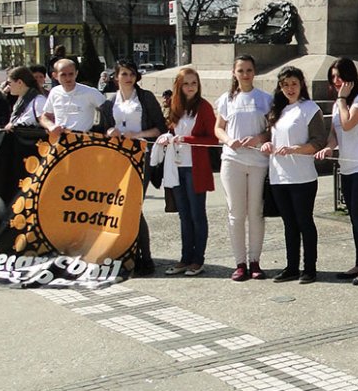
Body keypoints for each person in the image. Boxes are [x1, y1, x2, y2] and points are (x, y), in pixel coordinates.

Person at [96, 59, 167, 277]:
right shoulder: (109, 103)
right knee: (120, 207)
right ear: (116, 77)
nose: (128, 78)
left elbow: (160, 128)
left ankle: (146, 257)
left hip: (141, 155)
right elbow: (102, 128)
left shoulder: (145, 98)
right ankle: (127, 253)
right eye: (124, 74)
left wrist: (136, 135)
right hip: (118, 158)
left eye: (131, 74)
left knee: (134, 206)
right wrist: (109, 131)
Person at [317, 57, 358, 285]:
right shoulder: (339, 103)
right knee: (354, 217)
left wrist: (343, 99)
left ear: (350, 76)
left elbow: (347, 124)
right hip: (347, 166)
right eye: (332, 77)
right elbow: (336, 132)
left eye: (340, 76)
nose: (336, 81)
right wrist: (328, 147)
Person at [262, 66, 326, 284]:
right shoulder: (277, 110)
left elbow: (319, 142)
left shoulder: (309, 108)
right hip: (279, 176)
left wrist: (295, 149)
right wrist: (269, 144)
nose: (290, 88)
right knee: (289, 223)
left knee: (304, 222)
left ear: (301, 85)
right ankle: (291, 266)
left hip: (302, 177)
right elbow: (274, 137)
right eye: (285, 85)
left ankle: (310, 268)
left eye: (294, 84)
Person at [214, 54, 272, 281]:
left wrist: (259, 138)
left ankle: (255, 261)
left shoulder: (265, 98)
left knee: (256, 212)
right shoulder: (226, 99)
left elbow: (271, 129)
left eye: (249, 70)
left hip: (258, 161)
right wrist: (229, 140)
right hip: (232, 160)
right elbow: (218, 128)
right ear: (234, 73)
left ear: (254, 72)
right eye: (241, 70)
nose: (245, 74)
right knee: (236, 214)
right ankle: (239, 263)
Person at [158, 68, 217, 277]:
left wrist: (188, 140)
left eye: (194, 83)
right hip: (176, 166)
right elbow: (172, 131)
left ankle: (197, 259)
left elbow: (213, 139)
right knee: (183, 215)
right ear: (179, 86)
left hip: (195, 167)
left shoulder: (204, 107)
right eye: (186, 84)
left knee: (196, 214)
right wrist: (168, 136)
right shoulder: (175, 106)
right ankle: (185, 258)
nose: (190, 87)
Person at [39, 58, 105, 134]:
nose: (68, 78)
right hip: (61, 140)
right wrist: (51, 126)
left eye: (71, 74)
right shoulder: (54, 92)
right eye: (63, 75)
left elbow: (109, 110)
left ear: (76, 73)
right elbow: (45, 117)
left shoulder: (90, 92)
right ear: (55, 75)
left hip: (83, 140)